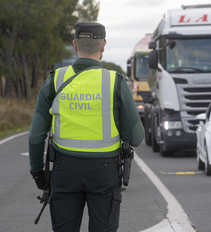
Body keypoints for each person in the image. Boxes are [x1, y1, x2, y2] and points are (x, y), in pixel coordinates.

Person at [28, 22, 144, 232]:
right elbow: (136, 137)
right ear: (103, 46)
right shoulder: (115, 82)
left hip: (64, 171)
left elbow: (36, 136)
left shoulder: (55, 80)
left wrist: (38, 174)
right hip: (104, 172)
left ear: (75, 45)